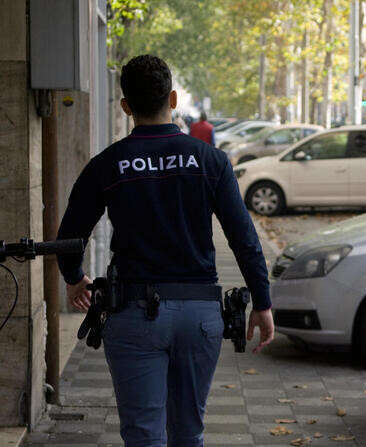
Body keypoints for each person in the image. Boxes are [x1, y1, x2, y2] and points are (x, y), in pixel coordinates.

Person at [56, 54, 274, 447]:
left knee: (143, 436)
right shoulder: (211, 161)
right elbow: (244, 238)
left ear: (125, 106)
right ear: (172, 100)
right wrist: (262, 301)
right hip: (200, 315)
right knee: (189, 432)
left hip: (133, 315)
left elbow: (70, 235)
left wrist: (75, 278)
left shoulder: (107, 164)